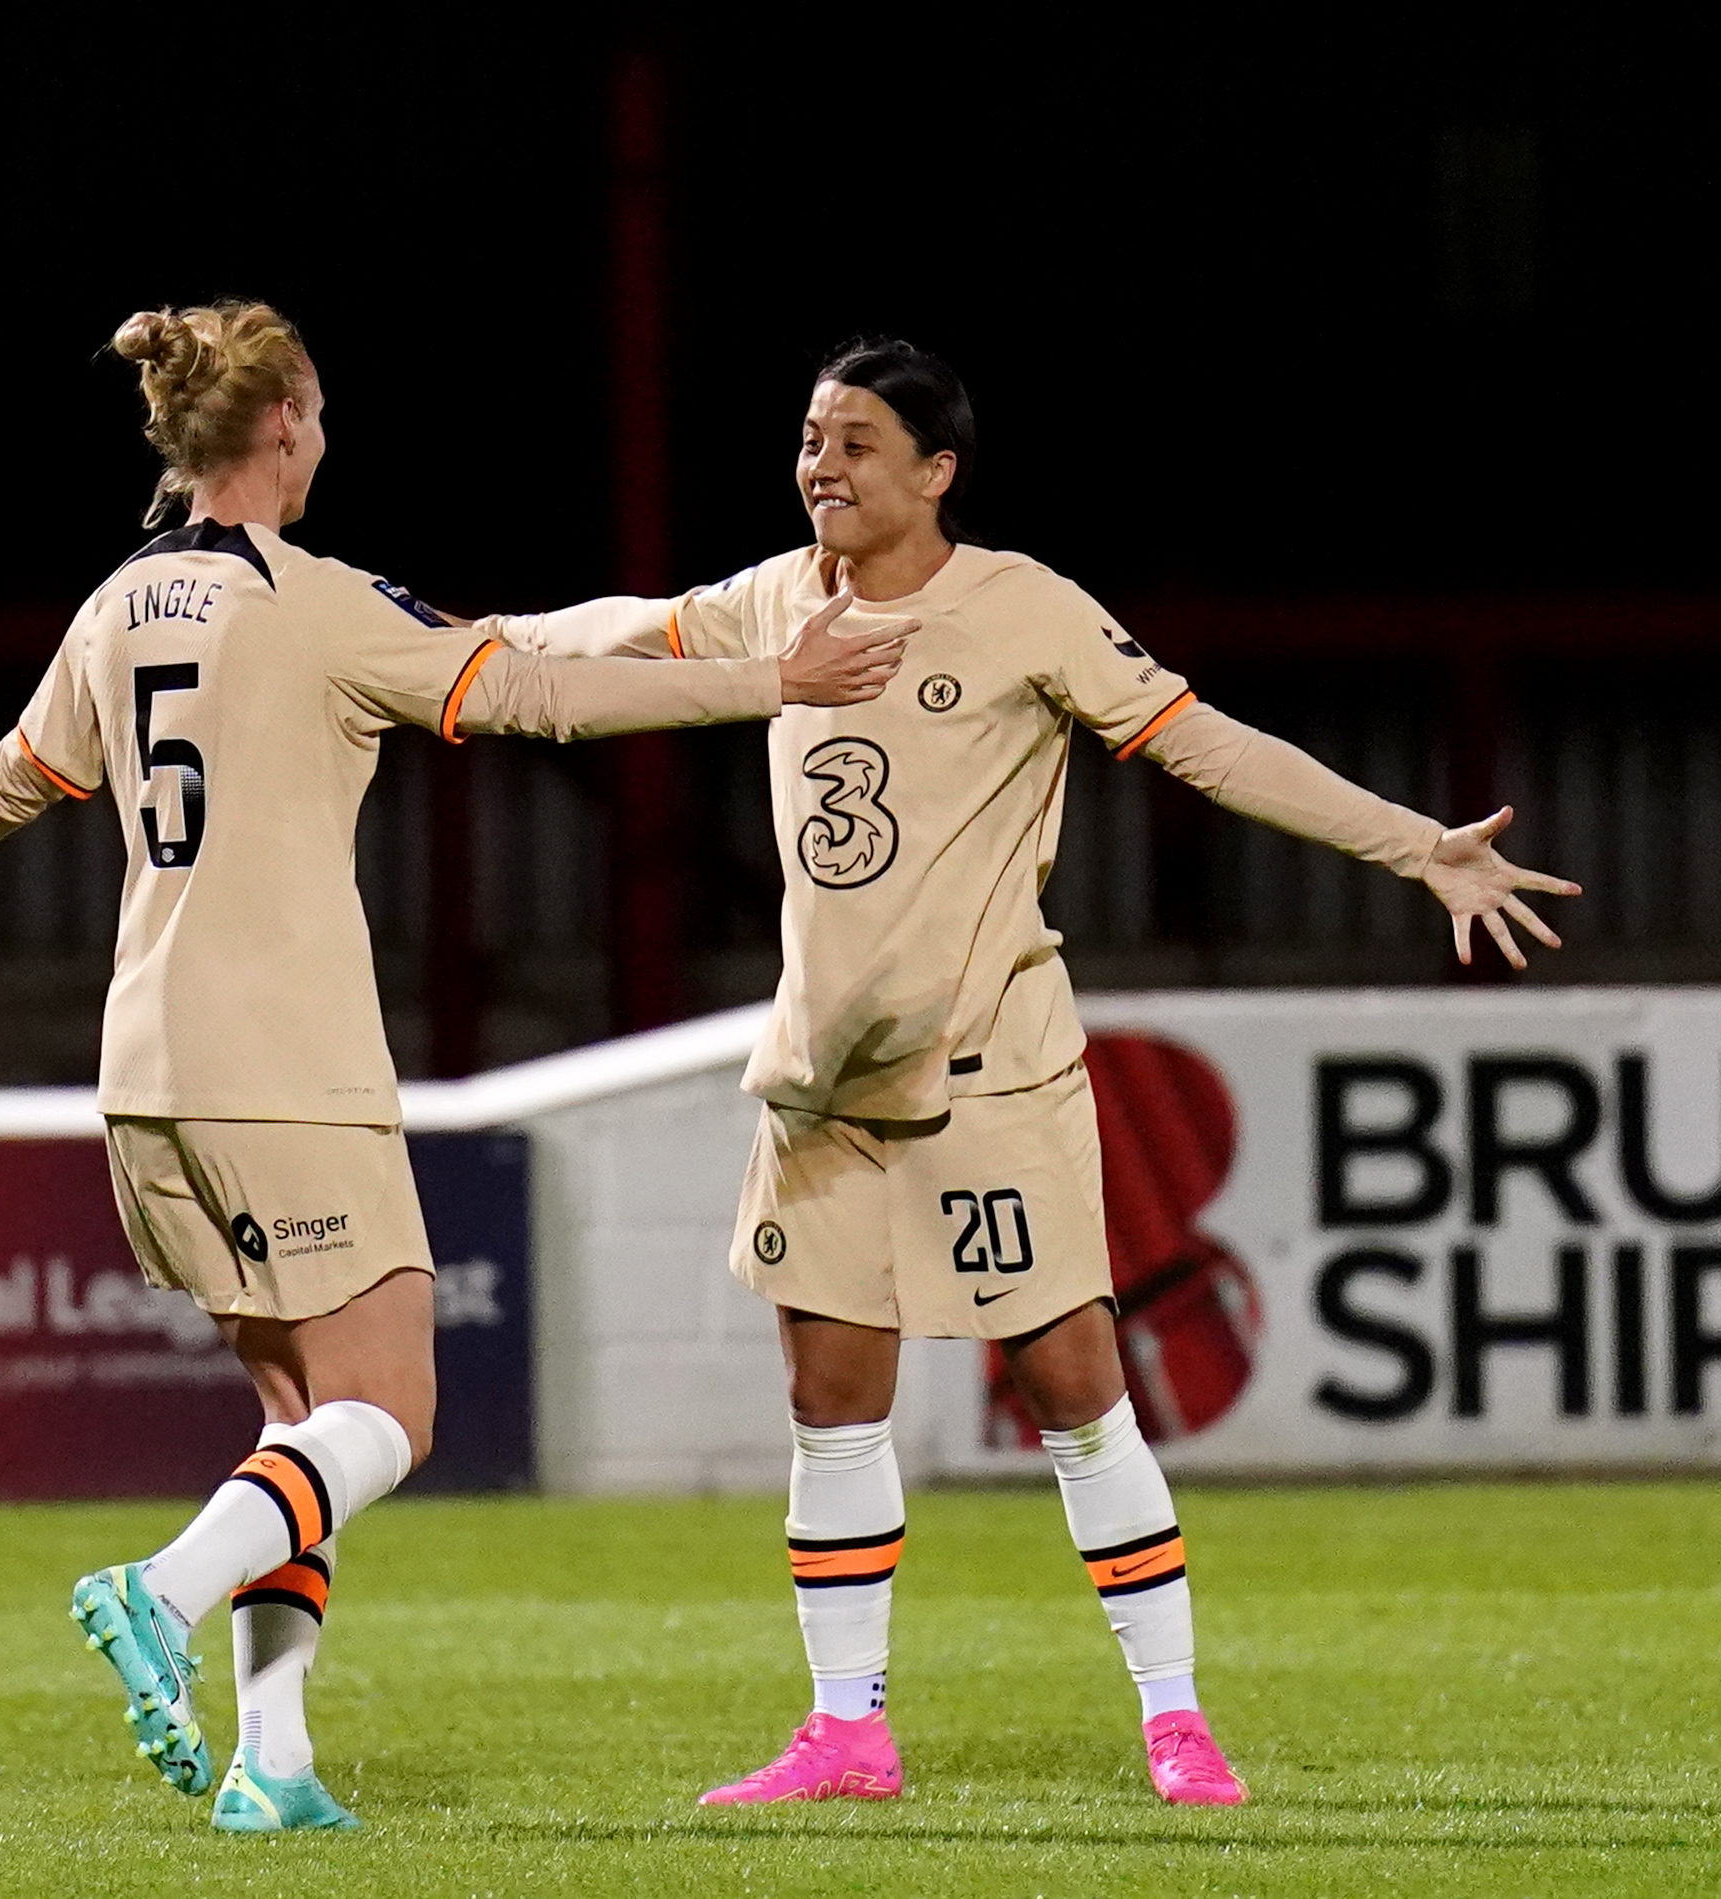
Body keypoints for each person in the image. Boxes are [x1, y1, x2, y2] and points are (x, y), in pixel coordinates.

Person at [477, 338, 1580, 1811]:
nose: (823, 465)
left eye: (858, 441)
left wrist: (1411, 843)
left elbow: (1210, 748)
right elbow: (622, 629)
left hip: (991, 1069)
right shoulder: (775, 604)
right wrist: (453, 638)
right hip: (824, 1080)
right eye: (811, 438)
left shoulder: (1023, 609)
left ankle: (1176, 1720)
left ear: (936, 471)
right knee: (829, 1396)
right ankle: (847, 1730)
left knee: (1074, 1386)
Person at [0, 300, 909, 1832]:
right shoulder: (314, 602)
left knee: (300, 1424)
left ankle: (271, 1764)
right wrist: (776, 682)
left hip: (145, 1071)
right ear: (282, 422)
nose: (325, 438)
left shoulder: (119, 605)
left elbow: (24, 776)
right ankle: (159, 1593)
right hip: (282, 1065)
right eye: (323, 414)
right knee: (391, 1412)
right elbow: (536, 691)